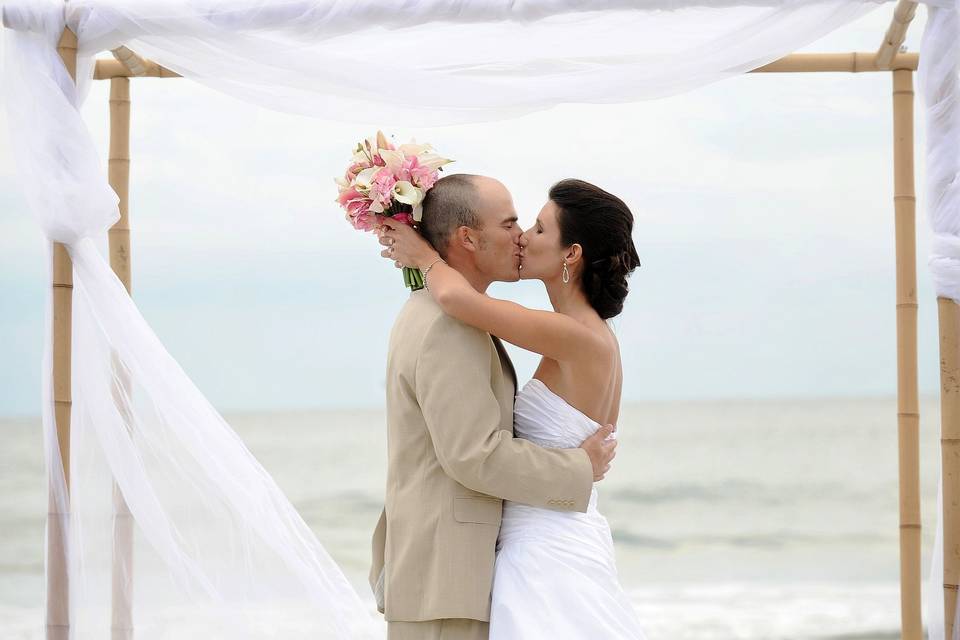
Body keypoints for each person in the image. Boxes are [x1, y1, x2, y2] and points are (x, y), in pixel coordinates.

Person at [377, 175, 646, 639]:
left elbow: (457, 297)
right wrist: (579, 467)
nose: (522, 236)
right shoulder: (579, 332)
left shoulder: (575, 334)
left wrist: (424, 256)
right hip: (543, 539)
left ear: (571, 254)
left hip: (544, 550)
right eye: (516, 223)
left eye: (538, 229)